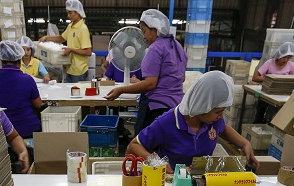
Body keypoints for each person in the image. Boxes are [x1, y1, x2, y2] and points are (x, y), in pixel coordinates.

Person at [126, 71, 259, 171]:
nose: (221, 116)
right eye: (218, 112)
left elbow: (223, 129)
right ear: (202, 105)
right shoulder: (167, 122)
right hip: (172, 182)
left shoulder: (213, 121)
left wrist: (244, 144)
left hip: (199, 179)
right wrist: (158, 164)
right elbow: (133, 146)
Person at [104, 9, 187, 135]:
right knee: (164, 146)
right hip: (177, 106)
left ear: (155, 29)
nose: (143, 36)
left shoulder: (155, 48)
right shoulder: (176, 45)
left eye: (144, 31)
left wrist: (121, 90)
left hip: (156, 107)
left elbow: (150, 84)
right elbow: (182, 77)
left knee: (143, 145)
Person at [0, 40, 43, 140]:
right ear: (20, 59)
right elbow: (38, 104)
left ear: (1, 59)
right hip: (28, 130)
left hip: (5, 130)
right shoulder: (27, 79)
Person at [38, 0, 92, 83]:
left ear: (77, 12)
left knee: (76, 94)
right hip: (69, 68)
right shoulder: (70, 26)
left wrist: (71, 50)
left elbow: (88, 52)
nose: (68, 15)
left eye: (70, 13)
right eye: (67, 13)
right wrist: (47, 37)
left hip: (78, 71)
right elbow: (61, 38)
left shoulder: (83, 29)